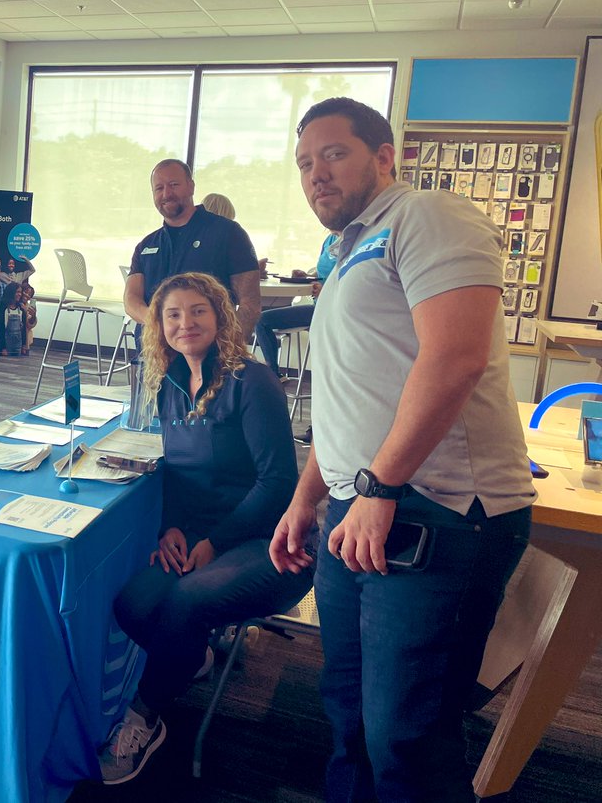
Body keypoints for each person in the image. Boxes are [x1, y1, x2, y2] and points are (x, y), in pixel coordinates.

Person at [269, 97, 534, 803]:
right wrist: (306, 500)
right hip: (359, 513)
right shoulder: (351, 247)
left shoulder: (428, 216)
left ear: (385, 157)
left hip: (440, 513)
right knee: (350, 714)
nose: (315, 174)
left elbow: (455, 359)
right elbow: (350, 396)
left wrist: (381, 489)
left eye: (333, 153)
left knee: (407, 737)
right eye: (303, 163)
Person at [98, 272, 312, 785]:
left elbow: (278, 483)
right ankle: (192, 656)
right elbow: (174, 468)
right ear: (159, 325)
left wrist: (214, 543)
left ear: (219, 316)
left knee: (182, 605)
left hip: (268, 539)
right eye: (172, 314)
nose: (184, 322)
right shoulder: (169, 380)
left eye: (197, 311)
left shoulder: (251, 381)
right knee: (130, 604)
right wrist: (171, 527)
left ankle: (144, 718)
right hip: (195, 536)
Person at [124, 160, 262, 342]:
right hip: (153, 355)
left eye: (174, 185)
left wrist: (228, 349)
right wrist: (156, 320)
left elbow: (250, 304)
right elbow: (131, 298)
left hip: (210, 358)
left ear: (191, 186)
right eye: (159, 188)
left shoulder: (228, 233)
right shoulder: (146, 245)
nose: (166, 193)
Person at [253, 231, 339, 378]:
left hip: (333, 309)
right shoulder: (330, 240)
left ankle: (272, 376)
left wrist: (326, 290)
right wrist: (306, 277)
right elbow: (322, 274)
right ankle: (274, 375)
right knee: (260, 320)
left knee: (262, 320)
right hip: (318, 306)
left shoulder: (354, 241)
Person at [0, 283, 25, 357]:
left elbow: (23, 330)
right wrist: (3, 347)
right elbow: (1, 329)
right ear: (11, 292)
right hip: (7, 344)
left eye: (20, 292)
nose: (19, 294)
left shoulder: (21, 309)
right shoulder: (3, 309)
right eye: (17, 292)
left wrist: (23, 345)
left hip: (18, 345)